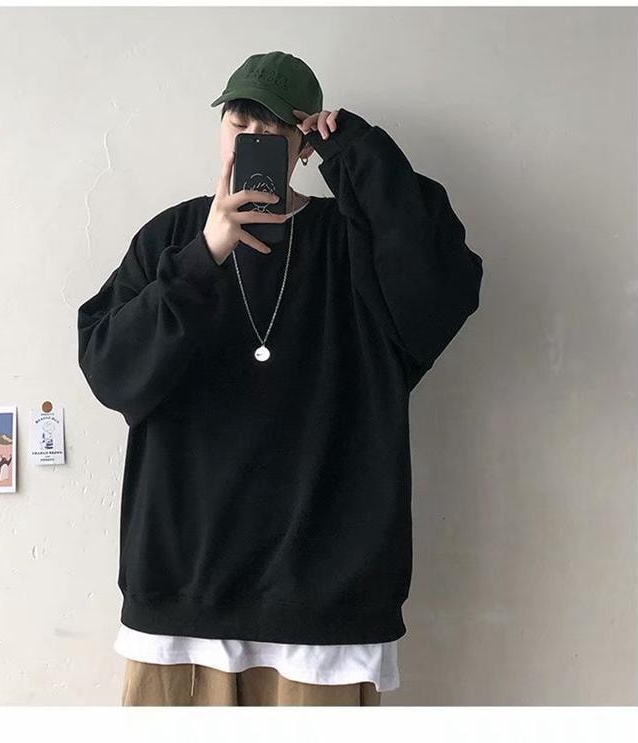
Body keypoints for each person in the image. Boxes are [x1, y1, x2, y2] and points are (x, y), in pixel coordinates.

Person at [77, 51, 484, 706]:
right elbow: (111, 372)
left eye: (272, 130)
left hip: (324, 609)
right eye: (238, 124)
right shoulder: (171, 238)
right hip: (182, 600)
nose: (251, 140)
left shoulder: (352, 242)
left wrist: (357, 152)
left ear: (301, 144)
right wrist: (203, 255)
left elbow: (440, 286)